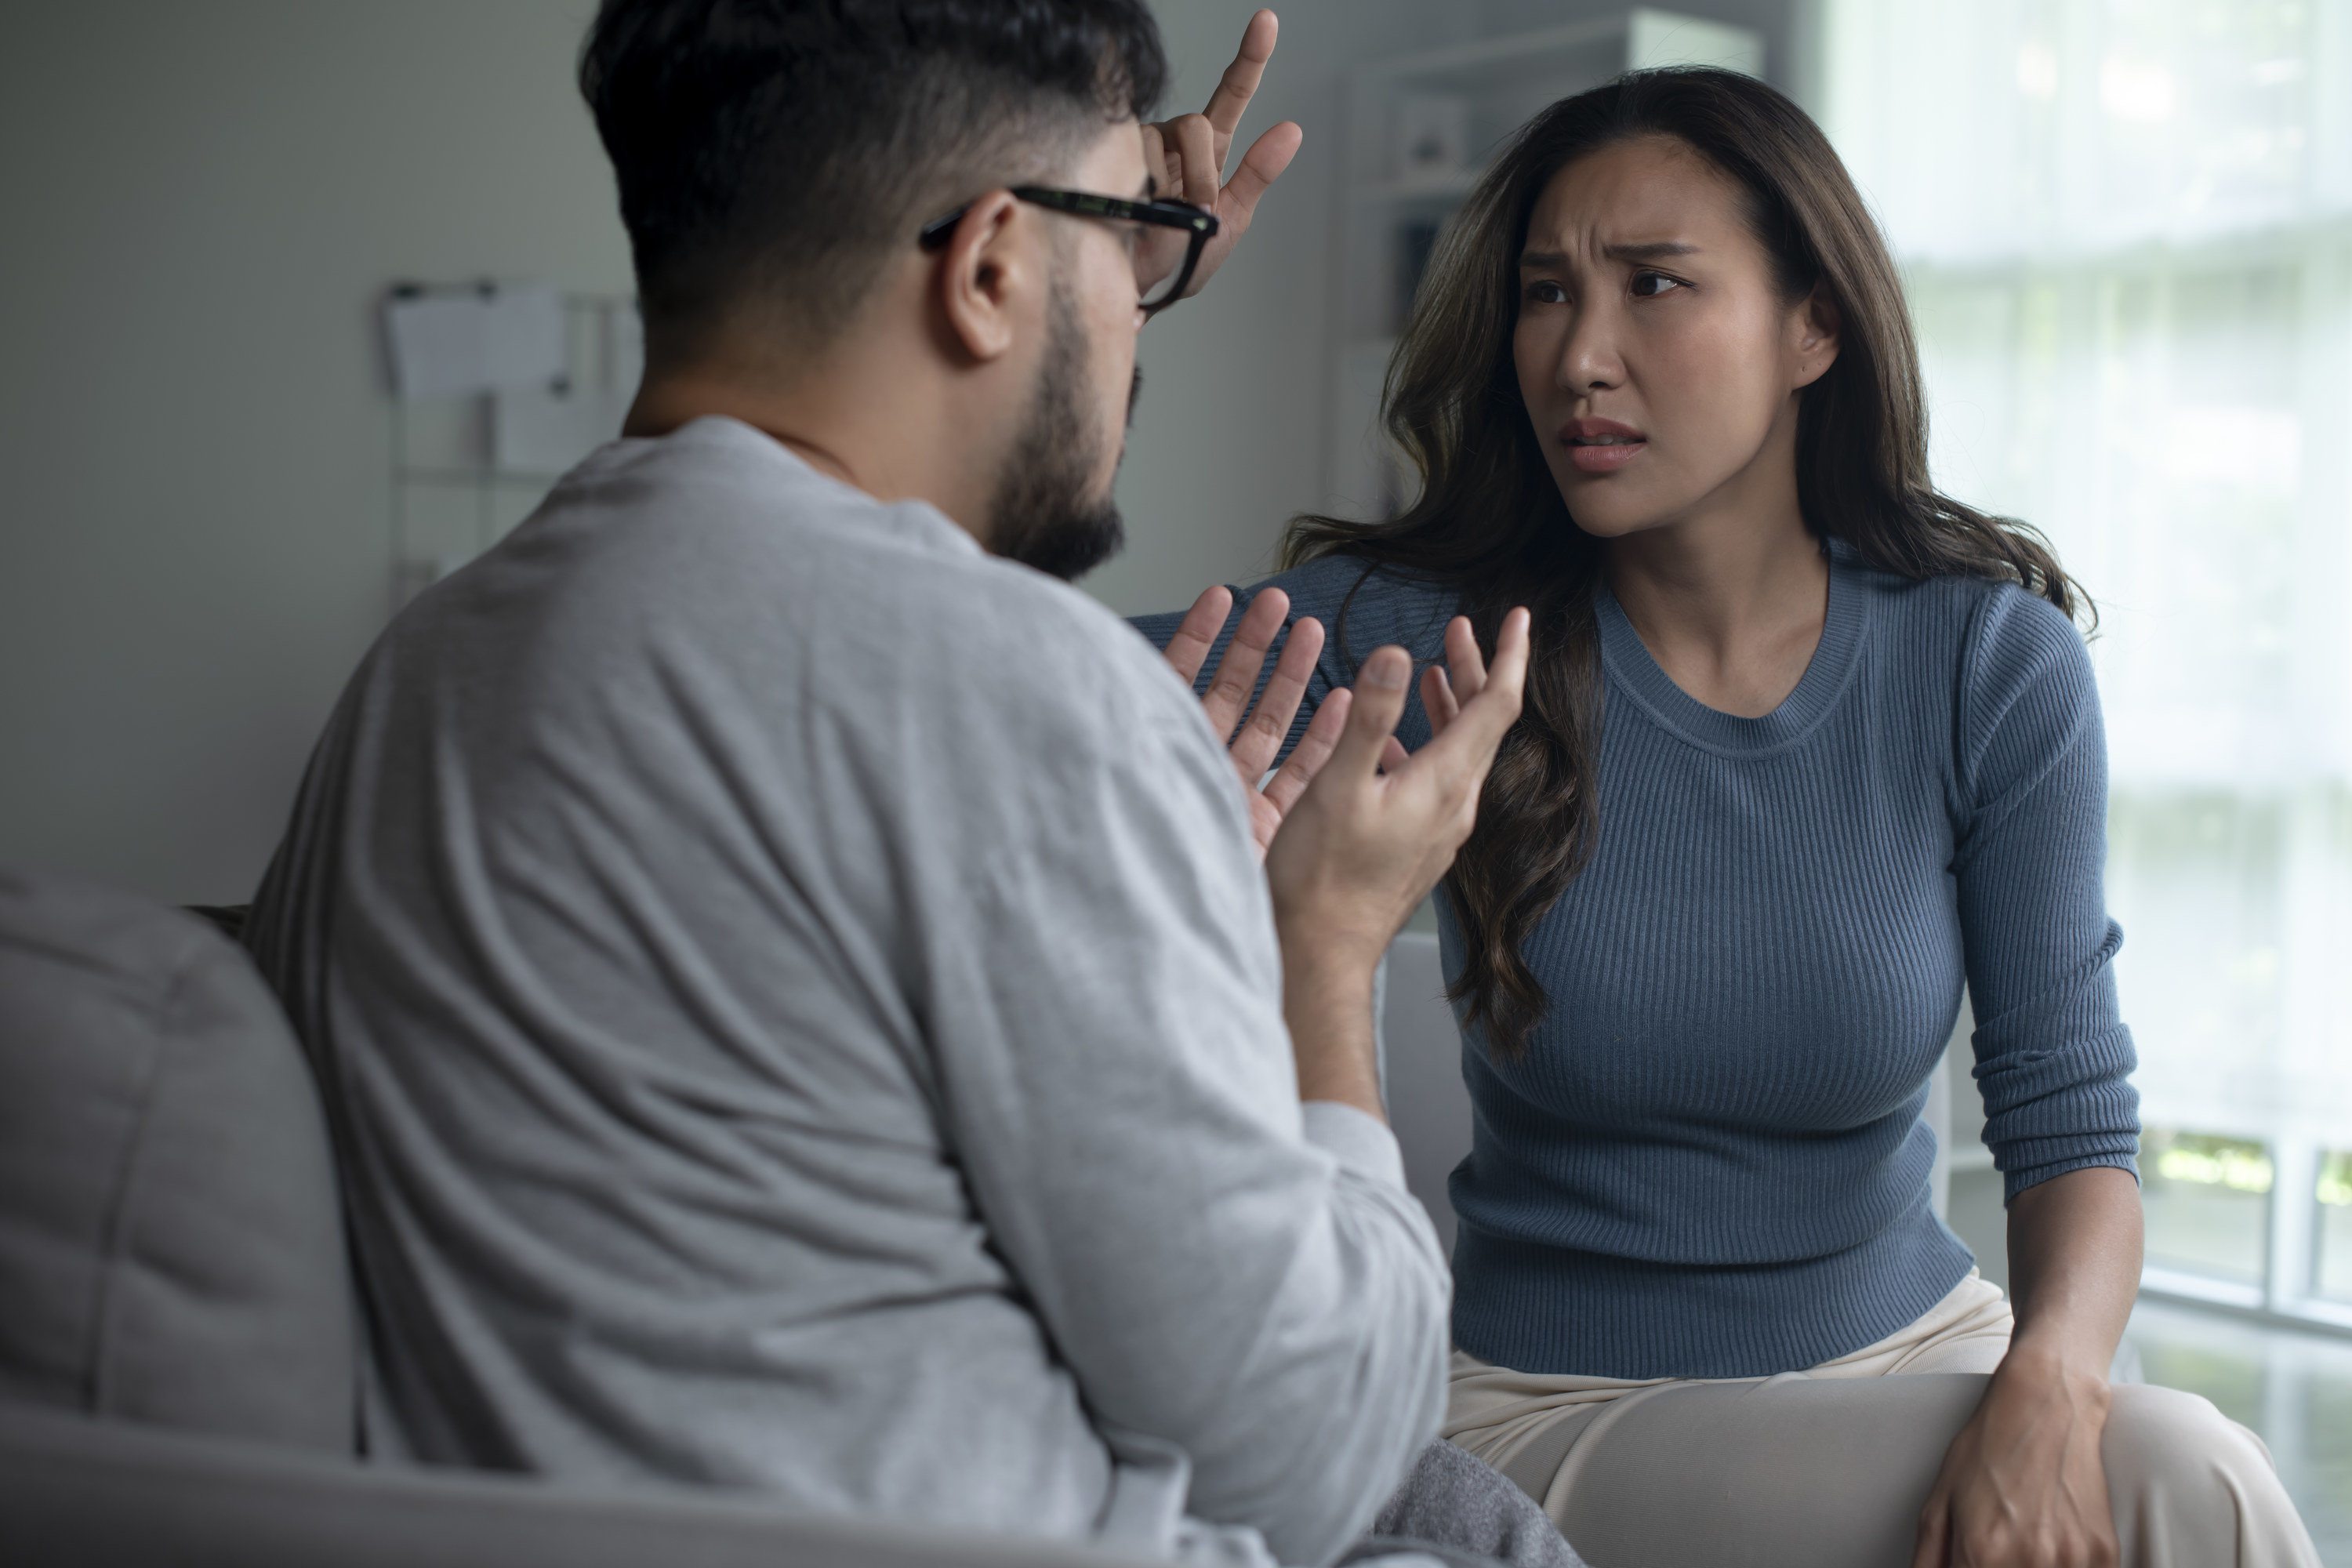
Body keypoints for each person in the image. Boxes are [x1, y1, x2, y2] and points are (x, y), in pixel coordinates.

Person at [238, 4, 1569, 1566]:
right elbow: (1323, 1446)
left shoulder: (421, 670)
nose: (1144, 304)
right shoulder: (1008, 690)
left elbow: (827, 576)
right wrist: (1320, 949)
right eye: (1125, 236)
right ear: (989, 269)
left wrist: (1085, 289)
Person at [1139, 68, 2321, 1568]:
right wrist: (1114, 291)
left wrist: (2048, 1376)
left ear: (1812, 326)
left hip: (1924, 1349)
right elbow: (987, 653)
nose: (1582, 355)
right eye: (1550, 293)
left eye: (1655, 286)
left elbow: (2070, 1115)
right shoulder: (1439, 640)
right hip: (1566, 1410)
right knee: (2188, 1484)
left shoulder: (1983, 660)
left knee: (2129, 1455)